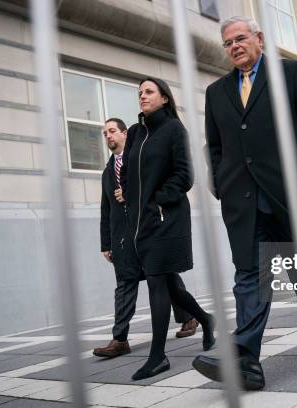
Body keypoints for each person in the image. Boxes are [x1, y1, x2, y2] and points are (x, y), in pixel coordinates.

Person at [193, 16, 297, 391]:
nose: (234, 46)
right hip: (244, 203)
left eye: (240, 38)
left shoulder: (291, 73)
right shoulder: (216, 92)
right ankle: (248, 361)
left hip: (289, 197)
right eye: (227, 43)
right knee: (250, 278)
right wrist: (222, 185)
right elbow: (216, 147)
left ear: (258, 38)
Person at [120, 77, 216, 381]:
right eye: (139, 93)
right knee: (169, 283)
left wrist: (158, 200)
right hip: (141, 222)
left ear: (164, 98)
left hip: (165, 218)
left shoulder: (175, 130)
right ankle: (205, 319)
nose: (143, 96)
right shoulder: (135, 132)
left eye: (149, 92)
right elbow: (127, 172)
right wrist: (131, 200)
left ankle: (158, 356)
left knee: (157, 281)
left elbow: (185, 175)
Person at [92, 118, 199, 359]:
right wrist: (106, 243)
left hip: (147, 230)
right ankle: (120, 338)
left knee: (166, 278)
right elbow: (105, 210)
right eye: (104, 133)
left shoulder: (140, 160)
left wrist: (130, 193)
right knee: (125, 284)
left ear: (124, 134)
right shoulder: (108, 173)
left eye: (111, 131)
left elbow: (152, 186)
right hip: (123, 239)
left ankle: (189, 318)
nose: (107, 136)